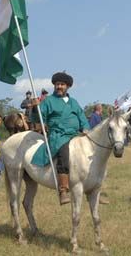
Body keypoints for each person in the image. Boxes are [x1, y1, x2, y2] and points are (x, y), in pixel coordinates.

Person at [31, 72, 90, 205]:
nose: (59, 86)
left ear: (67, 86)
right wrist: (35, 109)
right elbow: (38, 118)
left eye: (62, 84)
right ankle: (63, 190)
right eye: (57, 84)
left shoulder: (73, 102)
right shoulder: (48, 101)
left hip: (75, 135)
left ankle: (91, 187)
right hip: (58, 136)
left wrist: (86, 129)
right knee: (64, 152)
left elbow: (82, 118)